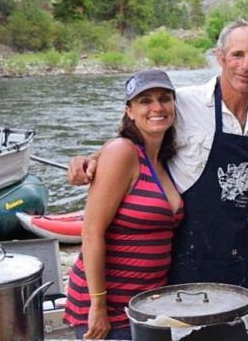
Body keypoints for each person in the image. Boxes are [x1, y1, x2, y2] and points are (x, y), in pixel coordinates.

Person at [67, 19, 248, 291]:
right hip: (183, 253)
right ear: (220, 57)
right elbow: (134, 133)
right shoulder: (185, 102)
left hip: (236, 251)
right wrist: (92, 158)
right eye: (237, 54)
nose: (246, 65)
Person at [63, 70, 184, 340]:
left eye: (165, 98)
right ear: (129, 111)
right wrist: (98, 305)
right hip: (110, 307)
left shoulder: (162, 159)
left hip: (146, 304)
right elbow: (91, 232)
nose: (157, 107)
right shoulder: (122, 152)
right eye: (145, 101)